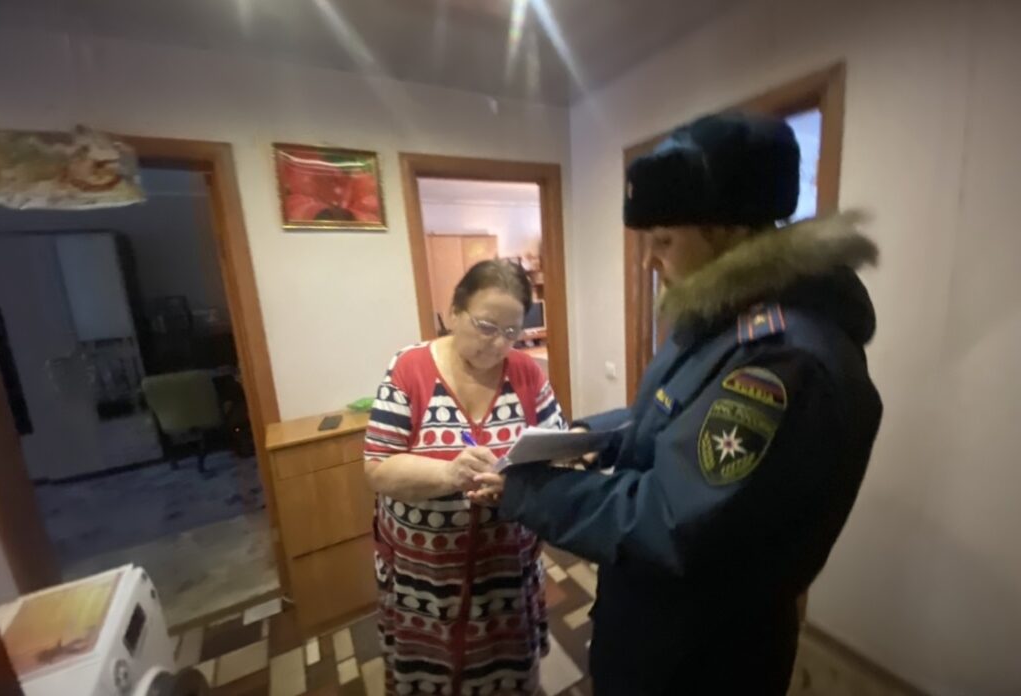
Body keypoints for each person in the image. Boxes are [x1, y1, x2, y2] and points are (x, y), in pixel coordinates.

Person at [472, 112, 883, 695]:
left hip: (700, 652)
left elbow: (670, 520)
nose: (648, 261)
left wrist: (526, 492)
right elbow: (667, 415)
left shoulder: (782, 360)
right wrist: (587, 439)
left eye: (663, 241)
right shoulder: (723, 319)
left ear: (730, 233)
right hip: (656, 619)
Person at [364, 259, 567, 696]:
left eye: (512, 332)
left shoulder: (527, 372)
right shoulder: (409, 368)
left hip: (505, 576)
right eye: (487, 327)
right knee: (431, 676)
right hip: (425, 582)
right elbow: (378, 467)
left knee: (507, 675)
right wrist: (449, 473)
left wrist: (530, 478)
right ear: (454, 312)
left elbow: (555, 447)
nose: (499, 344)